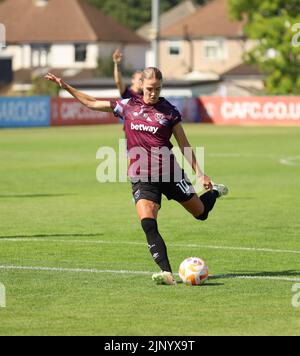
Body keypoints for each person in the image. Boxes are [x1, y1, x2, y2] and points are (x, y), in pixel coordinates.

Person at [44, 68, 228, 286]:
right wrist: (66, 87)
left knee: (200, 213)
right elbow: (92, 102)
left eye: (158, 89)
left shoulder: (169, 112)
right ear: (142, 86)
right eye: (150, 89)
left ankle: (215, 192)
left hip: (170, 173)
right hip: (142, 176)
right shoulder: (128, 105)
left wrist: (200, 174)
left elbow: (184, 145)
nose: (153, 93)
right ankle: (167, 273)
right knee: (148, 223)